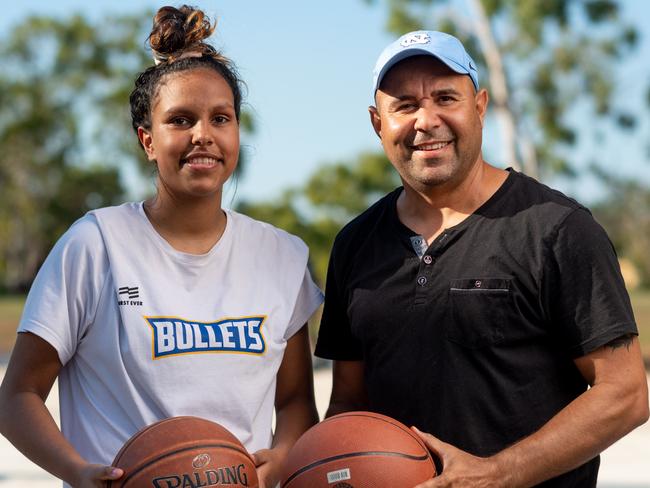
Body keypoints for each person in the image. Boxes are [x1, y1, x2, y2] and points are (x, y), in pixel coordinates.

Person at [0, 6, 322, 488]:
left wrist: (282, 455)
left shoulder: (282, 255)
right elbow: (18, 394)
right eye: (180, 120)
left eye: (221, 118)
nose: (203, 136)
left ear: (236, 132)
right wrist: (77, 470)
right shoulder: (96, 245)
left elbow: (296, 399)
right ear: (147, 140)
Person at [314, 30, 649, 487]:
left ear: (480, 107)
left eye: (446, 97)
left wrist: (496, 474)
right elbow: (348, 403)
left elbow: (625, 393)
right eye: (405, 105)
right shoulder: (355, 244)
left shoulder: (556, 228)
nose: (426, 120)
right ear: (378, 123)